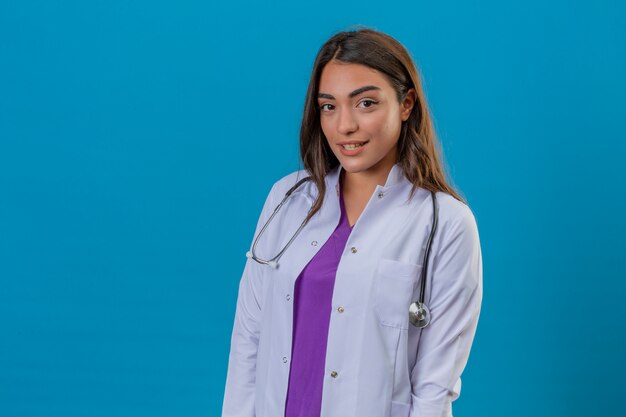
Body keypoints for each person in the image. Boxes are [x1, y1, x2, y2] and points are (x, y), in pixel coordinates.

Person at [221, 26, 483, 417]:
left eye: (365, 104)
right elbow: (249, 340)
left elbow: (435, 386)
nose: (345, 126)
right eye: (329, 106)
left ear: (406, 103)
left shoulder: (445, 223)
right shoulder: (287, 200)